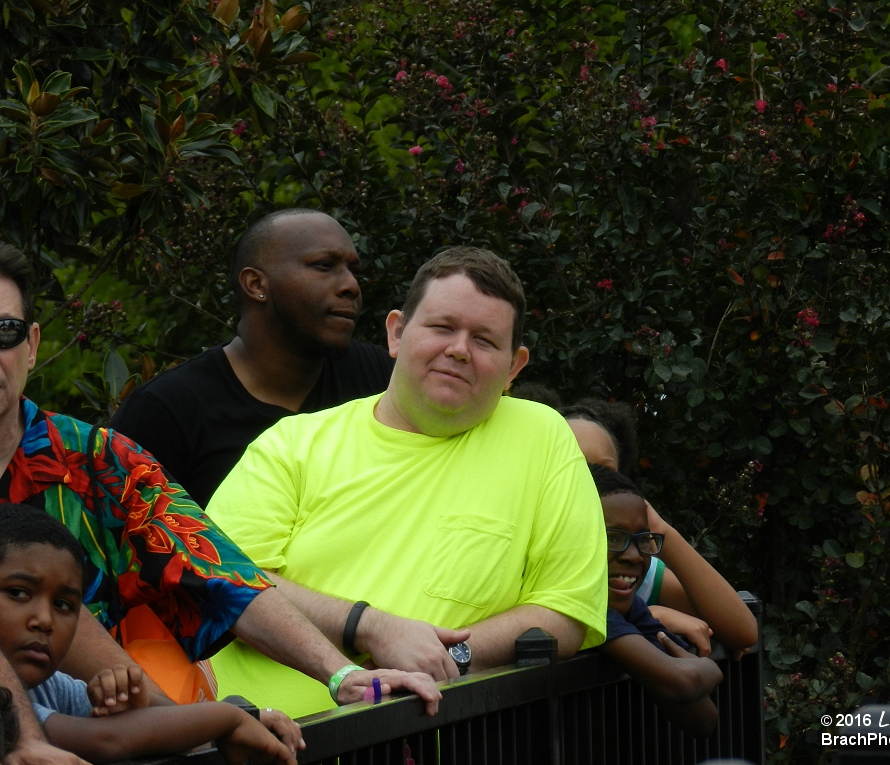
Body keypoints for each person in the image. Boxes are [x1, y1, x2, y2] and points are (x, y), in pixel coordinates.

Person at [0, 242, 440, 716]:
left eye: (5, 331)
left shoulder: (97, 458)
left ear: (33, 345)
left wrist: (342, 674)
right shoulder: (166, 407)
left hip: (92, 731)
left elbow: (222, 574)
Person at [206, 247, 608, 717]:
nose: (459, 349)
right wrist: (371, 628)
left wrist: (442, 660)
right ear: (396, 333)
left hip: (426, 738)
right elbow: (217, 576)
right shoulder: (293, 443)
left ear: (514, 367)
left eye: (484, 340)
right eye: (442, 327)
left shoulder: (541, 437)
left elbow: (564, 611)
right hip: (259, 736)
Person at [112, 209, 393, 508]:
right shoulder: (166, 412)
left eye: (354, 271)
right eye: (324, 266)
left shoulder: (382, 379)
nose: (351, 286)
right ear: (256, 285)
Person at [0, 502, 304, 764]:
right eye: (18, 593)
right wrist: (228, 717)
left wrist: (133, 701)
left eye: (63, 605)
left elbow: (169, 715)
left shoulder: (52, 687)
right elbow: (106, 740)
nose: (44, 620)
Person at [561, 400, 758, 656]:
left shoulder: (632, 564)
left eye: (604, 470)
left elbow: (742, 631)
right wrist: (650, 618)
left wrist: (659, 528)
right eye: (575, 469)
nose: (591, 483)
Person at [590, 463, 723, 737]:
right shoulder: (587, 608)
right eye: (613, 538)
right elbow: (683, 683)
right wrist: (709, 668)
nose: (635, 556)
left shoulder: (626, 607)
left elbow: (703, 719)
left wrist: (692, 677)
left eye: (642, 539)